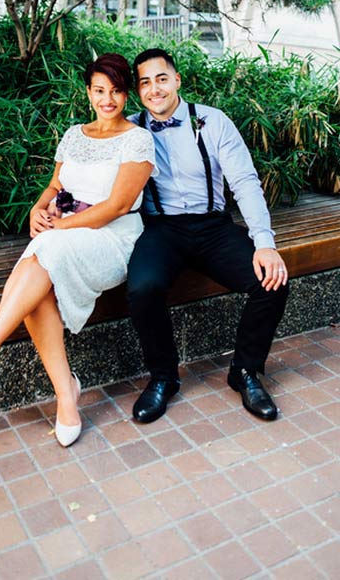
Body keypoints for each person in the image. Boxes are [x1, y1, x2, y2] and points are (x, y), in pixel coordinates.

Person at [0, 53, 156, 447]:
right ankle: (65, 394)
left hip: (114, 239)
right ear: (88, 92)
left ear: (126, 96)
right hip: (63, 236)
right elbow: (55, 187)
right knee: (40, 283)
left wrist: (59, 226)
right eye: (100, 91)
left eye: (117, 92)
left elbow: (117, 206)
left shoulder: (137, 139)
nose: (108, 100)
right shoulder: (73, 135)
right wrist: (38, 208)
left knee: (45, 249)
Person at [127, 48, 289, 424]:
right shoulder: (130, 129)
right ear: (138, 91)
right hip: (161, 229)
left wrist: (264, 243)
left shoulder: (212, 121)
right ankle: (164, 377)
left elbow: (245, 182)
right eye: (145, 82)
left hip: (213, 225)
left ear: (177, 80)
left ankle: (245, 371)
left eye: (161, 78)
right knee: (143, 287)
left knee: (272, 283)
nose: (155, 89)